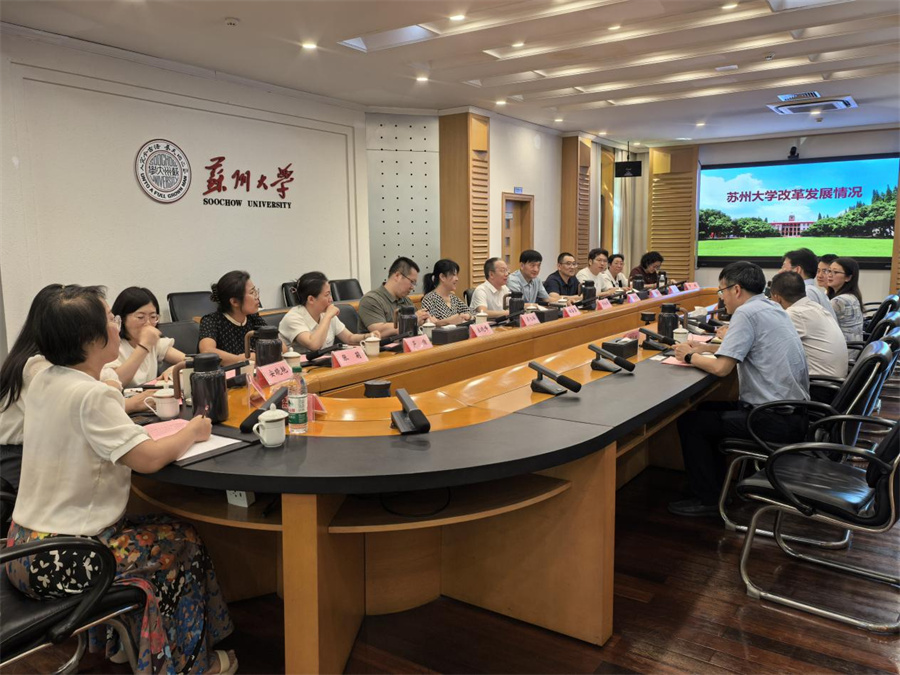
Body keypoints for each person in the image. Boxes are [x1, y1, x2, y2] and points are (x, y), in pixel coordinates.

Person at [5, 285, 236, 674]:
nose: (117, 324)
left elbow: (104, 386)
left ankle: (123, 645)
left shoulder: (42, 375)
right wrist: (192, 431)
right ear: (90, 338)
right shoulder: (90, 398)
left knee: (166, 531)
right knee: (180, 544)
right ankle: (188, 665)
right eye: (111, 319)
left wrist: (112, 386)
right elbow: (149, 458)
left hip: (23, 547)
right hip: (64, 558)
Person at [668, 262, 809, 517]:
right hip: (794, 412)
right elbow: (748, 347)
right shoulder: (770, 307)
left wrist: (688, 356)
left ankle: (709, 500)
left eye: (722, 291)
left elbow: (722, 368)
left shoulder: (746, 313)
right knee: (705, 409)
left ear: (736, 289)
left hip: (772, 418)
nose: (721, 297)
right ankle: (715, 486)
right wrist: (706, 349)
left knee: (691, 424)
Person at [1, 285, 148, 490]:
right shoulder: (37, 367)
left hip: (47, 452)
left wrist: (108, 385)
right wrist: (126, 401)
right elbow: (83, 405)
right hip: (19, 456)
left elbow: (108, 375)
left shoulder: (66, 362)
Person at [770, 271, 848, 380]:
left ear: (777, 298)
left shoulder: (795, 314)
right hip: (834, 380)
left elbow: (771, 347)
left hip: (818, 383)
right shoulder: (815, 307)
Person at [108, 287, 186, 388]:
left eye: (153, 317)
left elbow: (192, 361)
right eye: (140, 317)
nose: (148, 323)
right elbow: (114, 384)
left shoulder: (155, 341)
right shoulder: (111, 345)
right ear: (122, 318)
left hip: (149, 397)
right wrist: (144, 346)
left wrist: (176, 369)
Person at [279, 272, 378, 351]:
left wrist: (368, 336)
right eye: (327, 295)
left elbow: (349, 338)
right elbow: (313, 345)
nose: (331, 299)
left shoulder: (325, 312)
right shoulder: (293, 318)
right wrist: (327, 317)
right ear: (311, 299)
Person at [199, 270, 268, 366]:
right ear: (235, 302)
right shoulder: (211, 321)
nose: (257, 297)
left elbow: (281, 346)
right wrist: (241, 360)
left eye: (256, 291)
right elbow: (207, 351)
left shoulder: (253, 318)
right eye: (252, 293)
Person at [358, 257, 430, 338]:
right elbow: (379, 331)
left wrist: (425, 319)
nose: (412, 287)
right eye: (412, 282)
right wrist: (412, 321)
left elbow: (418, 320)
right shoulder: (371, 300)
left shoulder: (406, 300)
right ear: (397, 276)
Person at [780, 248, 837, 321]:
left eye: (784, 266)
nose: (780, 271)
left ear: (797, 270)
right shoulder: (812, 290)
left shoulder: (806, 292)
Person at [421, 259, 472, 326]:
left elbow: (472, 312)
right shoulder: (429, 299)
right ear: (442, 277)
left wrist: (468, 316)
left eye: (457, 275)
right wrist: (448, 321)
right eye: (453, 275)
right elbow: (429, 324)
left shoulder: (453, 298)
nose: (457, 279)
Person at [826, 257, 865, 342]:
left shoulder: (839, 301)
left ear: (848, 278)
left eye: (835, 272)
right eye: (829, 271)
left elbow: (820, 324)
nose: (829, 275)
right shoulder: (852, 296)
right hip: (853, 347)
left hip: (845, 348)